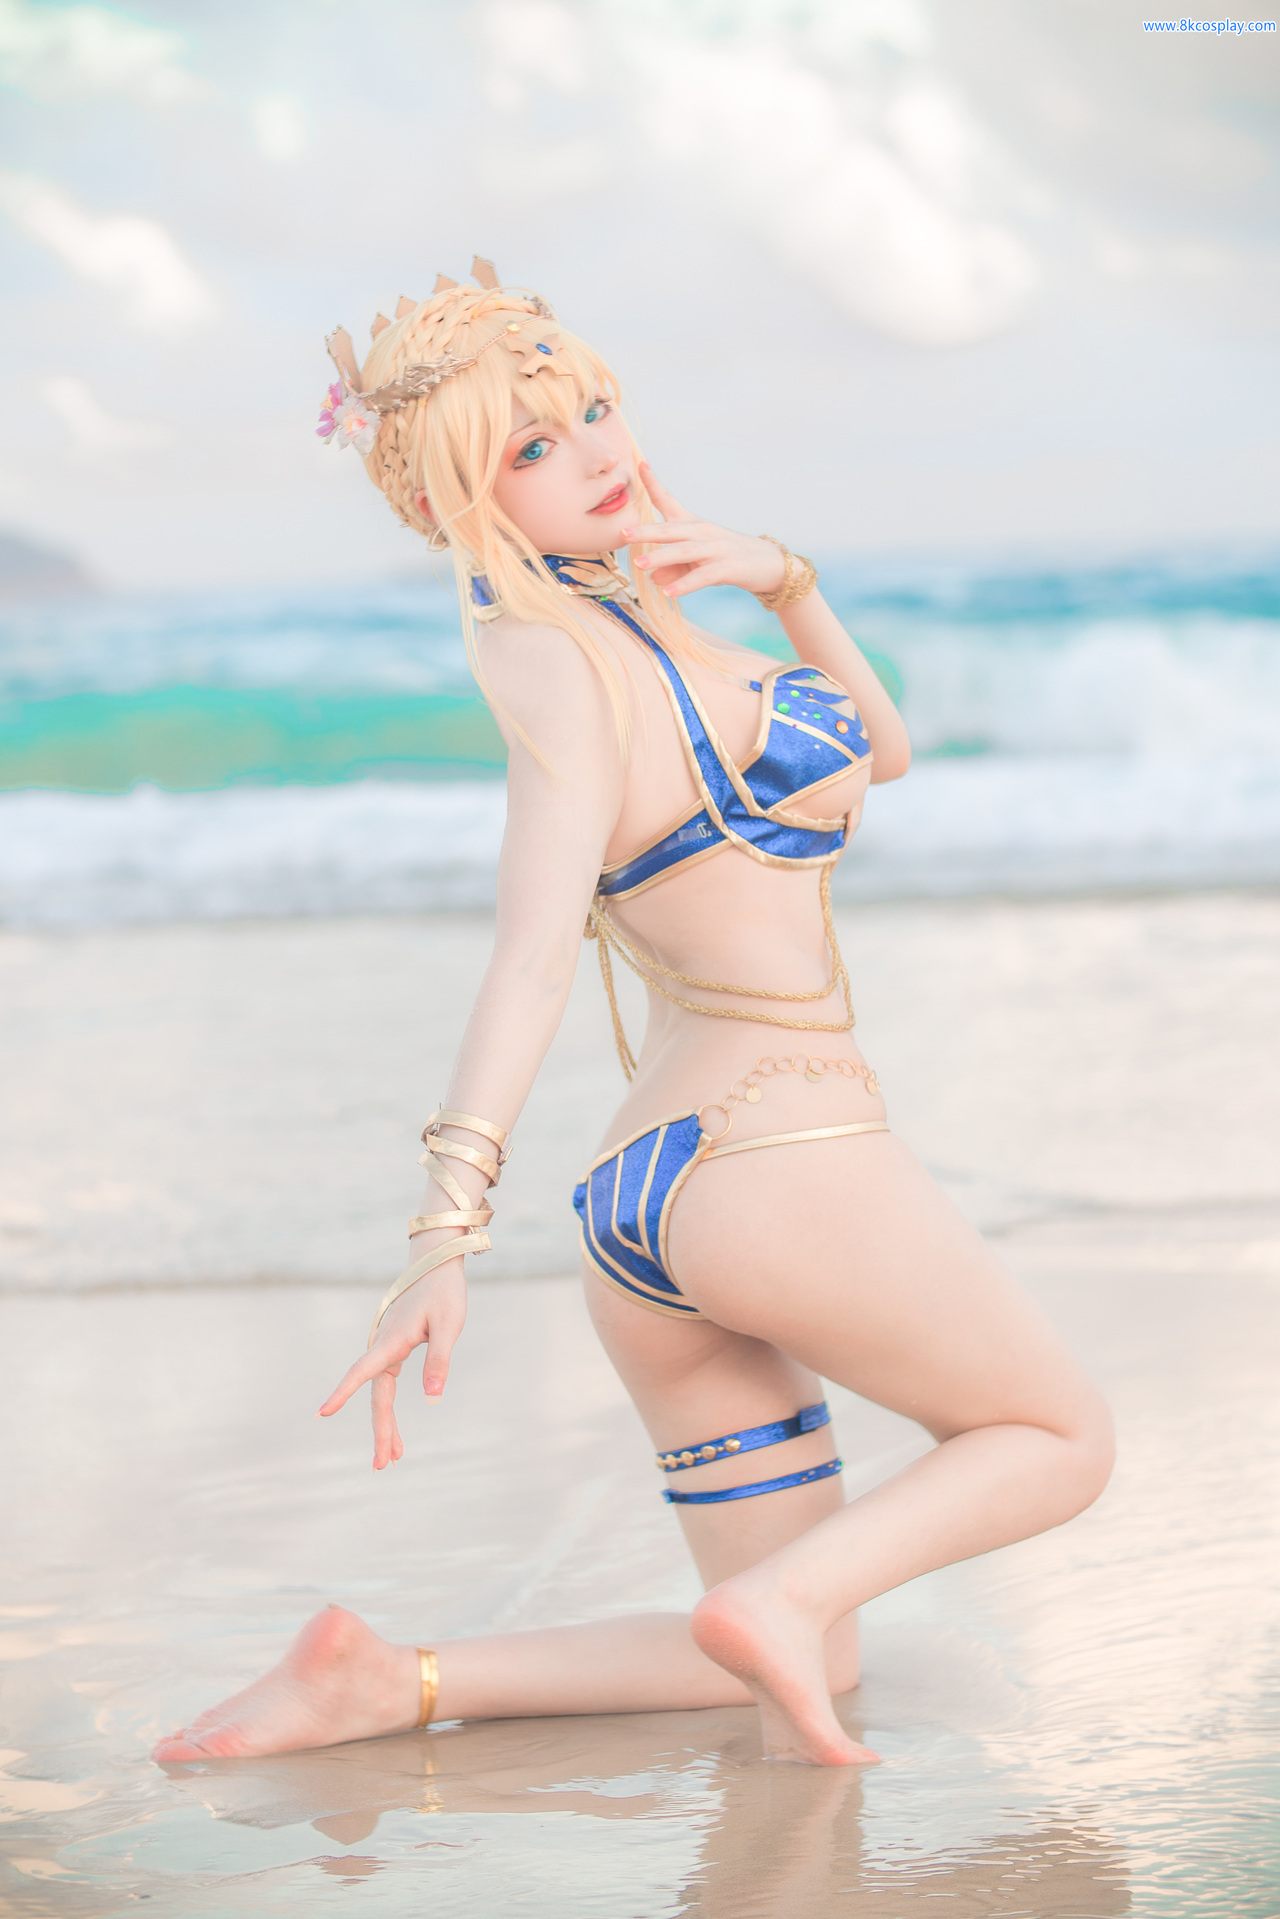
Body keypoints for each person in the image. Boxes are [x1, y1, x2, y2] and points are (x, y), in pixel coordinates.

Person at [153, 260, 1113, 1770]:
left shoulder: (646, 620)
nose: (597, 451)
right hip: (772, 1158)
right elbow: (533, 956)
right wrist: (443, 1233)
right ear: (460, 502)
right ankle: (780, 1598)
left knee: (802, 1655)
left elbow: (886, 748)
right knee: (1057, 1440)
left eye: (594, 408)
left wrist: (784, 580)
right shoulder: (551, 659)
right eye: (533, 446)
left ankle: (384, 1681)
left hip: (655, 1207)